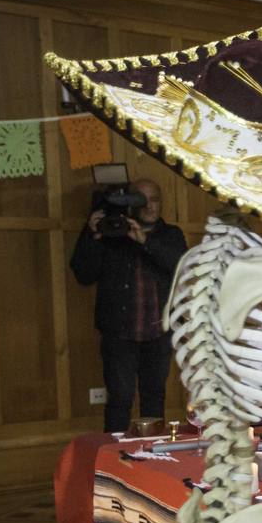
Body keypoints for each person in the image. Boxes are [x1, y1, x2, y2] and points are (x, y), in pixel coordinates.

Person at [70, 178, 187, 432]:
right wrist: (91, 235)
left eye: (154, 199)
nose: (149, 206)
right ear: (130, 203)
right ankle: (111, 462)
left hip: (158, 334)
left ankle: (154, 458)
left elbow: (181, 266)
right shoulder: (111, 234)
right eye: (142, 200)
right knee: (119, 401)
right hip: (119, 335)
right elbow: (83, 274)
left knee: (154, 399)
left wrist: (145, 241)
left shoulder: (172, 235)